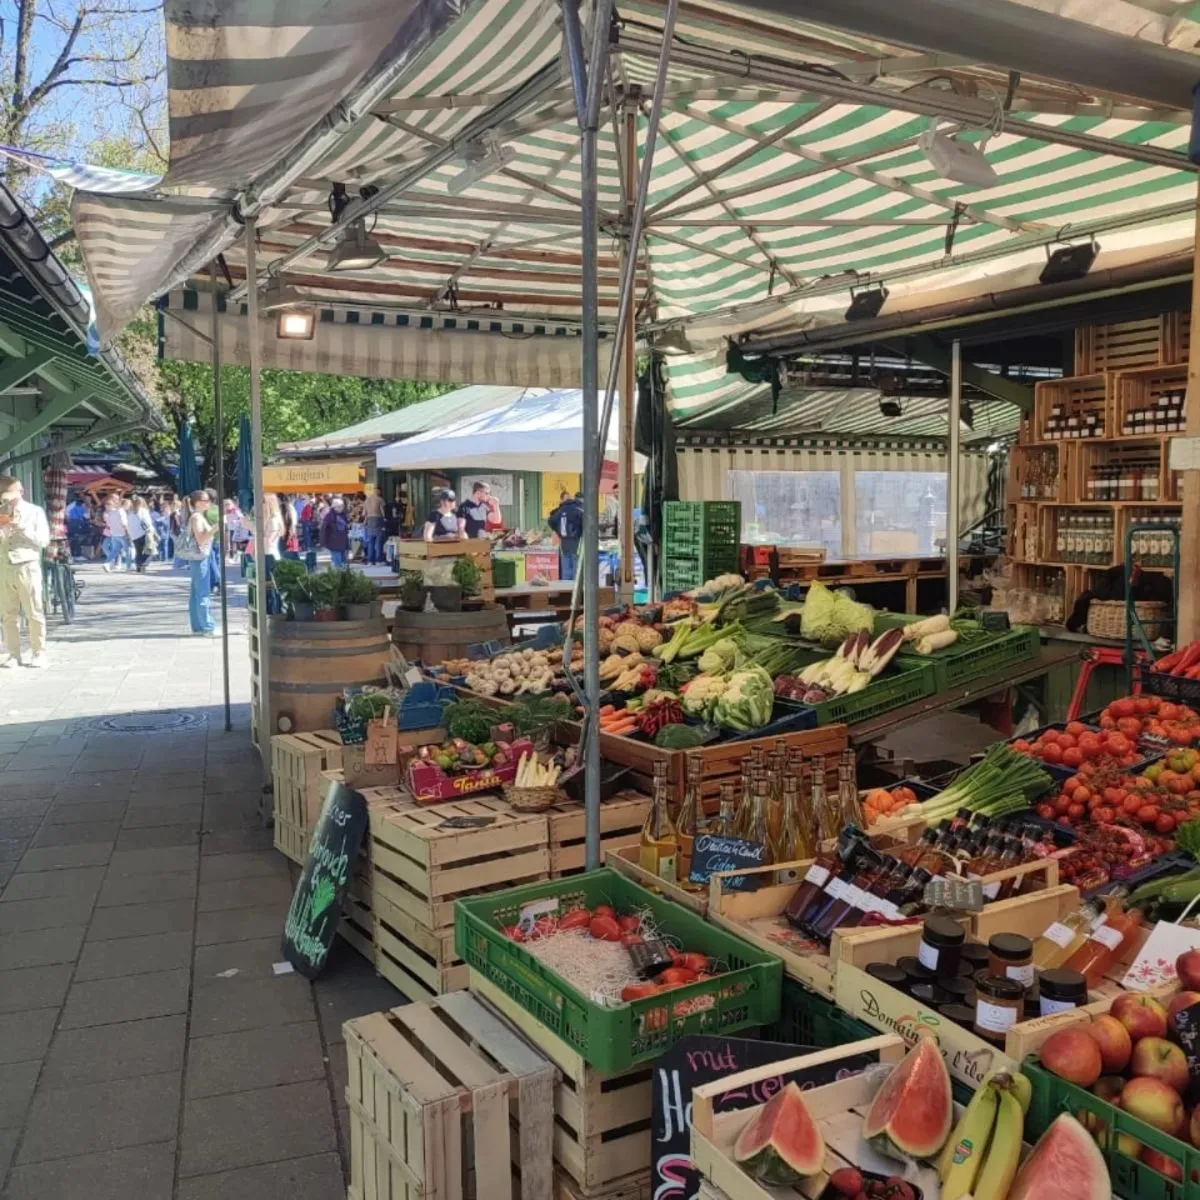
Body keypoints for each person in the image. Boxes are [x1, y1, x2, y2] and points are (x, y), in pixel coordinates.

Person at [0, 474, 50, 668]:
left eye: (9, 495)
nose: (7, 499)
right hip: (4, 565)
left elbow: (43, 540)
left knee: (34, 611)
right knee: (8, 614)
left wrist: (21, 528)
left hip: (27, 564)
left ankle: (39, 652)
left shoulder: (34, 511)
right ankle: (13, 654)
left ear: (20, 492)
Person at [179, 490, 216, 635]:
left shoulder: (197, 516)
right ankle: (207, 626)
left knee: (196, 593)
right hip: (200, 558)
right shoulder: (196, 517)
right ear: (198, 503)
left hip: (198, 558)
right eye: (206, 500)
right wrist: (215, 528)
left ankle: (198, 626)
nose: (209, 503)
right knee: (202, 593)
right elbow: (201, 540)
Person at [547, 490, 584, 580]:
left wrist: (558, 531)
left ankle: (566, 590)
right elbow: (585, 523)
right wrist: (581, 532)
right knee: (576, 566)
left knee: (566, 566)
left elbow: (550, 520)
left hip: (564, 541)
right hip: (576, 541)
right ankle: (575, 591)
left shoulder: (560, 510)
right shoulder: (578, 510)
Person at [320, 496, 351, 565]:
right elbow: (323, 529)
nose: (342, 508)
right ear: (334, 507)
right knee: (338, 563)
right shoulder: (329, 516)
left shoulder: (343, 515)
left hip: (343, 541)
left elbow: (346, 526)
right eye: (340, 506)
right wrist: (323, 542)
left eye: (342, 506)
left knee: (344, 562)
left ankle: (344, 573)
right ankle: (339, 573)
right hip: (334, 542)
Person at [102, 493, 129, 572]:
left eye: (116, 499)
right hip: (119, 533)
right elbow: (124, 523)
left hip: (114, 533)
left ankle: (110, 563)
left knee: (116, 550)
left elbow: (109, 523)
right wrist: (127, 532)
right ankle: (128, 566)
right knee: (127, 549)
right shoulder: (119, 511)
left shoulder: (113, 512)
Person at [363, 485, 386, 565]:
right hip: (378, 519)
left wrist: (365, 522)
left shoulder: (366, 500)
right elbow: (383, 512)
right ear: (378, 491)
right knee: (379, 541)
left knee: (371, 542)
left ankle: (370, 560)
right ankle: (379, 560)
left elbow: (364, 513)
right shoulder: (380, 499)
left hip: (369, 520)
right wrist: (384, 519)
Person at [66, 494, 89, 560]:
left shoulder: (70, 506)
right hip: (79, 523)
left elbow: (66, 514)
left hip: (71, 523)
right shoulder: (82, 505)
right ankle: (78, 555)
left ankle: (73, 554)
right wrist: (88, 510)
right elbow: (86, 516)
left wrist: (69, 520)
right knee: (78, 539)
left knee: (73, 539)